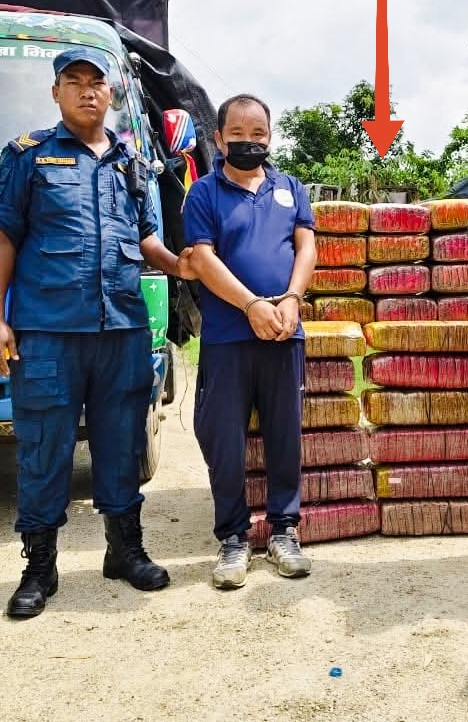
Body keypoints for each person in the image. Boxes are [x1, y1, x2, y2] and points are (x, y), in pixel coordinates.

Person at [0, 45, 193, 619]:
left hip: (121, 327)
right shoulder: (28, 157)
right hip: (48, 330)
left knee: (122, 442)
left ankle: (125, 551)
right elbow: (1, 236)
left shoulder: (131, 163)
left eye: (96, 82)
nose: (86, 91)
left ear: (111, 92)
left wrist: (179, 265)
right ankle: (39, 567)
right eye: (72, 81)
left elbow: (148, 239)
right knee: (45, 447)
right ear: (56, 92)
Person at [181, 93, 317, 590]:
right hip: (227, 336)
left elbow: (306, 245)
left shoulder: (290, 187)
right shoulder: (204, 194)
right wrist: (251, 306)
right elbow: (201, 257)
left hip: (284, 332)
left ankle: (284, 531)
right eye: (237, 135)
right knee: (224, 439)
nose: (248, 143)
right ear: (218, 139)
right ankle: (234, 537)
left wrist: (292, 299)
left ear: (269, 137)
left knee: (285, 434)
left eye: (257, 135)